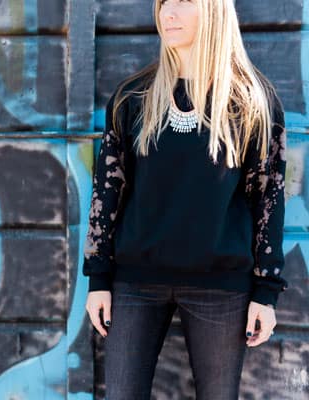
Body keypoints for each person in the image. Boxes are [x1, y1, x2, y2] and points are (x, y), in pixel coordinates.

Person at [82, 0, 289, 399]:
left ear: (213, 10)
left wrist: (266, 292)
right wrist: (99, 278)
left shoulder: (252, 103)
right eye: (163, 3)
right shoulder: (132, 98)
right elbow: (106, 194)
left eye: (184, 2)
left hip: (221, 288)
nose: (168, 13)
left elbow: (268, 199)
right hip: (135, 283)